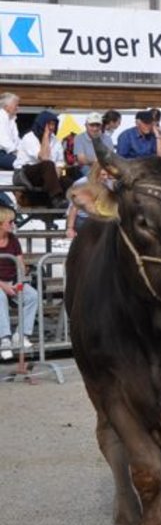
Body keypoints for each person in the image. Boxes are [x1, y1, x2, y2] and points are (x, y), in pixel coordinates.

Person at [0, 205, 39, 361]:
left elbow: (20, 265)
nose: (13, 224)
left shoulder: (13, 240)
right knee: (0, 297)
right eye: (10, 222)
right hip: (0, 284)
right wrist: (4, 286)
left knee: (32, 295)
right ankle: (5, 339)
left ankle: (21, 334)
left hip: (13, 280)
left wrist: (19, 283)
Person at [14, 111, 65, 206]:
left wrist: (56, 177)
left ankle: (68, 205)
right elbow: (44, 157)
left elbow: (59, 163)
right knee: (48, 164)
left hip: (46, 174)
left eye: (53, 125)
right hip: (25, 172)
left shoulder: (55, 140)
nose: (51, 128)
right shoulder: (29, 138)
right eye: (48, 124)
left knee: (67, 179)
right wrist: (45, 135)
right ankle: (56, 199)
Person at [68, 112, 105, 181]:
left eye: (97, 125)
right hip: (87, 167)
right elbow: (81, 159)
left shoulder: (107, 138)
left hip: (104, 167)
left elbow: (111, 159)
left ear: (101, 126)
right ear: (86, 125)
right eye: (92, 125)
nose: (95, 128)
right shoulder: (79, 138)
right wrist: (96, 161)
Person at [0, 93, 21, 171]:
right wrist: (17, 152)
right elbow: (3, 140)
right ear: (6, 106)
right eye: (16, 105)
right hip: (1, 153)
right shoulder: (1, 117)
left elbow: (17, 140)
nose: (18, 108)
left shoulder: (11, 119)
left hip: (7, 153)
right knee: (21, 163)